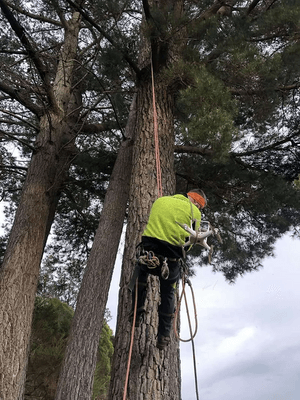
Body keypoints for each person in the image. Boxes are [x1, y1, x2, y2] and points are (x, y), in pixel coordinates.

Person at [129, 189, 207, 350]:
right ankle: (163, 335)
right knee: (169, 293)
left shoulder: (161, 200)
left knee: (141, 274)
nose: (199, 209)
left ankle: (136, 313)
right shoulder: (196, 213)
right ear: (197, 203)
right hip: (171, 259)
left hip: (149, 253)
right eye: (200, 206)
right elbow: (190, 241)